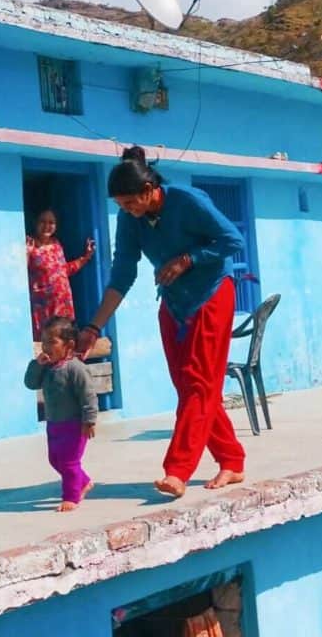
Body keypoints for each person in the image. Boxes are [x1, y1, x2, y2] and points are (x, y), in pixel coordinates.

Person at [77, 146, 246, 499]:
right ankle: (231, 459)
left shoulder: (188, 200)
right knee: (187, 385)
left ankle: (178, 470)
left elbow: (233, 240)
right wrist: (93, 328)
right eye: (121, 206)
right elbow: (122, 275)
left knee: (200, 382)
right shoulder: (130, 220)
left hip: (212, 293)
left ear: (149, 189)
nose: (127, 211)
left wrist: (188, 259)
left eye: (131, 203)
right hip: (174, 301)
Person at [24, 315, 97, 512]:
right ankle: (84, 482)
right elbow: (30, 384)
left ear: (69, 345)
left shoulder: (76, 369)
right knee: (55, 460)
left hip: (74, 425)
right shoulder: (47, 368)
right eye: (43, 342)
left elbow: (88, 395)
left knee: (70, 462)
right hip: (54, 424)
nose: (46, 347)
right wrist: (37, 365)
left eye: (52, 342)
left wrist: (89, 420)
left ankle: (71, 497)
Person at [26, 209, 96, 338]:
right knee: (47, 341)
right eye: (42, 221)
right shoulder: (29, 245)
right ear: (35, 222)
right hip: (43, 305)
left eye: (51, 222)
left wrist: (86, 257)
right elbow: (21, 271)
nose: (47, 226)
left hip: (63, 302)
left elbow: (63, 270)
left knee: (64, 338)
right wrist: (28, 253)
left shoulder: (56, 244)